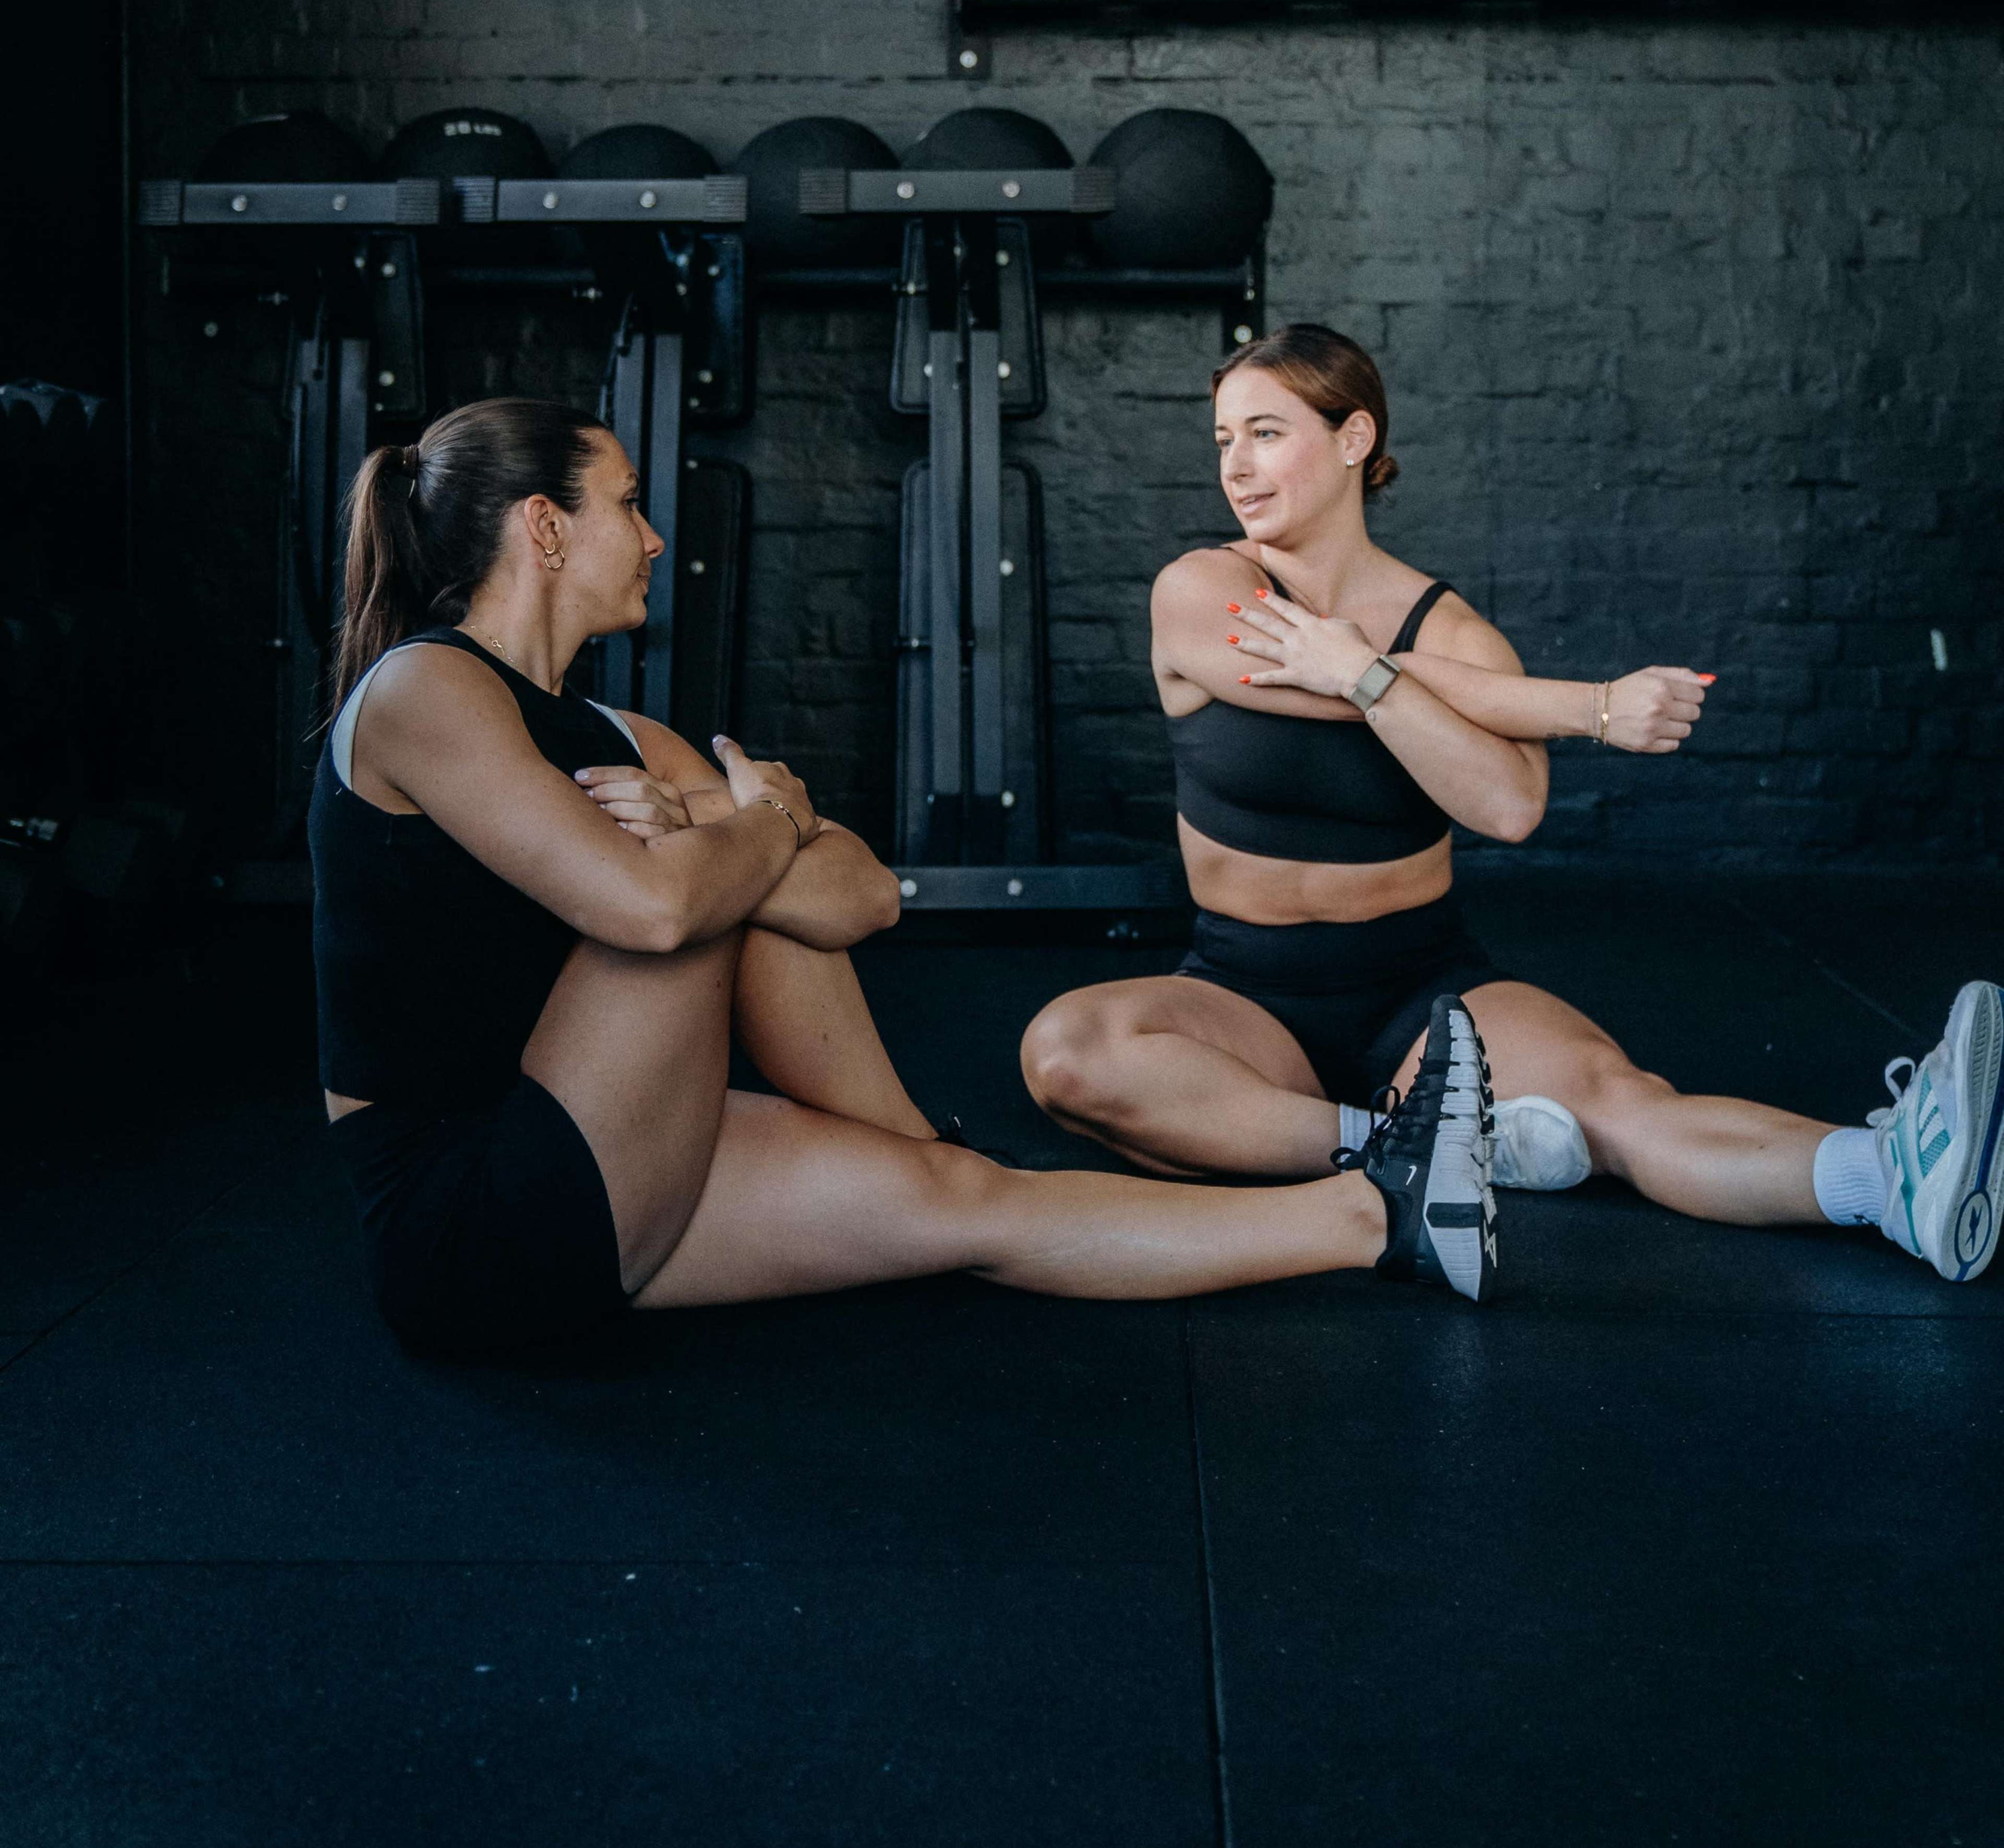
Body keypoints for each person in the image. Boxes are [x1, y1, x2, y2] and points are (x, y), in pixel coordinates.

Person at [313, 395, 1498, 1359]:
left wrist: (718, 822)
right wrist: (757, 821)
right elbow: (655, 908)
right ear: (546, 526)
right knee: (697, 889)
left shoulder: (625, 739)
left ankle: (1377, 1216)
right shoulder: (428, 689)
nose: (657, 535)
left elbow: (865, 897)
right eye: (627, 504)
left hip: (603, 1161)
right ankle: (910, 1138)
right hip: (464, 1212)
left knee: (969, 1209)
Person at [1017, 325, 2003, 1286]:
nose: (1237, 464)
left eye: (1267, 432)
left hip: (1421, 985)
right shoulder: (1204, 587)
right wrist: (1592, 707)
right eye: (1225, 438)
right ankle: (1404, 1150)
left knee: (1620, 1105)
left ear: (1354, 438)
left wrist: (1366, 670)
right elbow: (1313, 679)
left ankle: (1890, 1178)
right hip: (1241, 989)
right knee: (1071, 1055)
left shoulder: (1462, 636)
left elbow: (1510, 804)